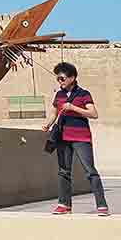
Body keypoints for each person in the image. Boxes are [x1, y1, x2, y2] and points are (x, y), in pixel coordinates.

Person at [43, 62, 110, 216]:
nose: (59, 81)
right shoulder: (59, 95)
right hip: (62, 137)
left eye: (62, 78)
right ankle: (64, 204)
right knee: (63, 171)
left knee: (90, 171)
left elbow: (93, 114)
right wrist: (47, 124)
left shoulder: (83, 94)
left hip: (81, 137)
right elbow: (54, 112)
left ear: (72, 77)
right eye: (57, 79)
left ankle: (102, 205)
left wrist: (73, 108)